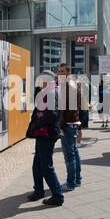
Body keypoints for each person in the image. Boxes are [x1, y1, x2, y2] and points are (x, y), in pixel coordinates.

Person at [26, 70, 64, 206]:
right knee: (37, 164)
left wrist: (37, 124)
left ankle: (58, 195)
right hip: (42, 133)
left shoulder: (52, 93)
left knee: (46, 166)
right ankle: (39, 190)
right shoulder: (47, 92)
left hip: (47, 133)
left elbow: (52, 115)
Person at [57, 63, 82, 191]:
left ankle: (71, 182)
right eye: (59, 71)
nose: (60, 73)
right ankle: (77, 180)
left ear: (68, 72)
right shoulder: (70, 84)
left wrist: (60, 125)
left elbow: (67, 109)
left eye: (62, 71)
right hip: (71, 123)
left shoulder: (69, 86)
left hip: (67, 124)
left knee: (69, 155)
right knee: (74, 152)